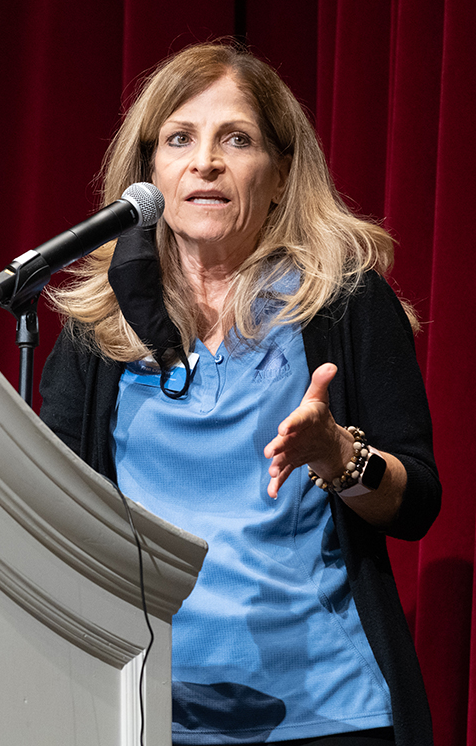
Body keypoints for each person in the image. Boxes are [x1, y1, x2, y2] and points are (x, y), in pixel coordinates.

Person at [39, 41, 440, 746]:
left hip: (323, 711)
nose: (205, 162)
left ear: (280, 175)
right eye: (180, 139)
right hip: (143, 711)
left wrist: (341, 458)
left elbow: (417, 503)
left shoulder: (343, 304)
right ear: (150, 174)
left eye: (237, 139)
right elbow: (51, 513)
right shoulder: (98, 331)